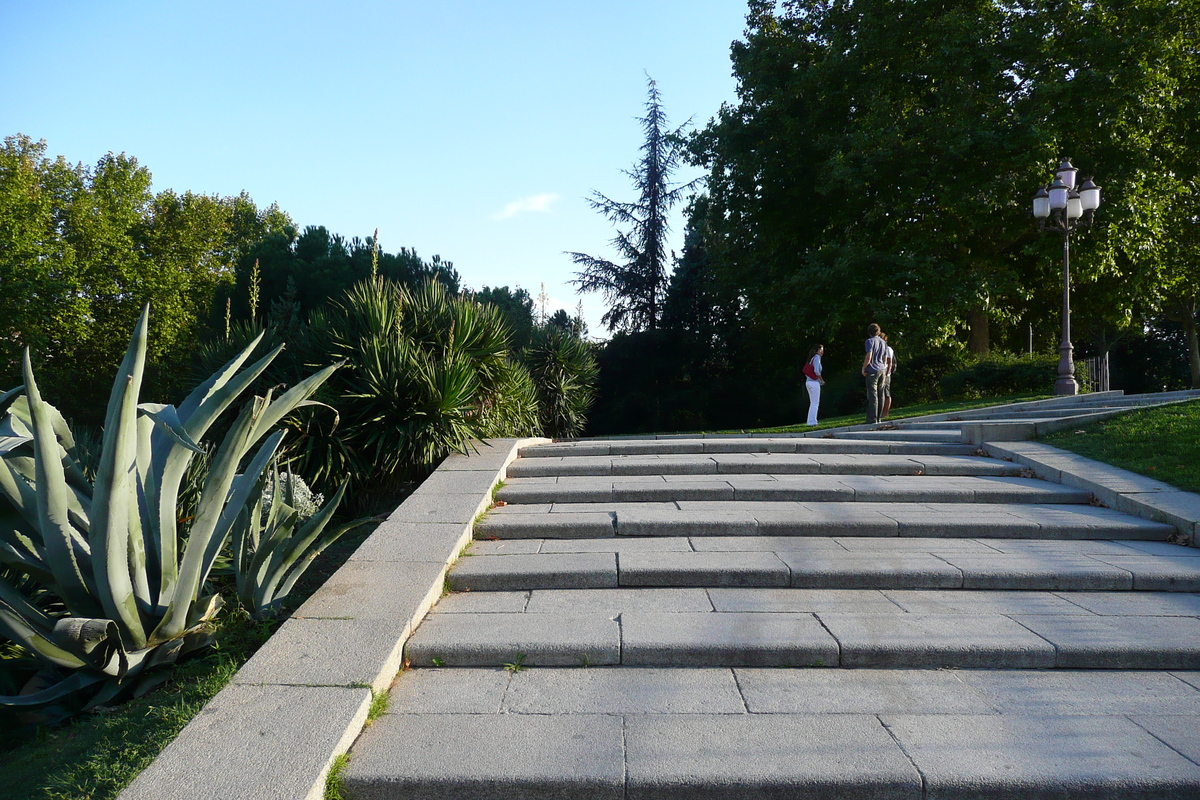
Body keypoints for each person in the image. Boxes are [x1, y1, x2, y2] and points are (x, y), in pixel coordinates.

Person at [861, 323, 889, 424]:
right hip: (882, 369)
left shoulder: (869, 341)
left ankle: (872, 418)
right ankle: (879, 418)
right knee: (881, 394)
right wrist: (884, 367)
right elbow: (885, 357)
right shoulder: (883, 342)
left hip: (872, 369)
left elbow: (869, 355)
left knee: (873, 395)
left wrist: (864, 368)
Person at [803, 344, 825, 426]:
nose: (822, 351)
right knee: (815, 403)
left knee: (812, 403)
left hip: (808, 382)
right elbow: (816, 371)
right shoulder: (817, 358)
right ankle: (812, 422)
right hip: (814, 382)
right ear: (817, 350)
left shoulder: (811, 358)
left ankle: (810, 421)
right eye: (821, 350)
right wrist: (821, 380)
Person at [881, 332, 896, 420]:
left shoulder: (888, 349)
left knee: (886, 393)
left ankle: (885, 413)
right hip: (880, 372)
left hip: (886, 373)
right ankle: (881, 412)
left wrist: (887, 374)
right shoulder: (880, 349)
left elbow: (890, 363)